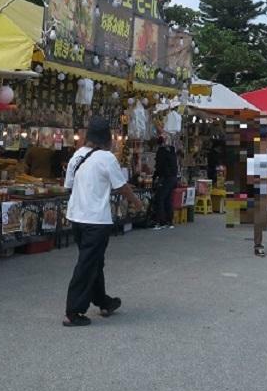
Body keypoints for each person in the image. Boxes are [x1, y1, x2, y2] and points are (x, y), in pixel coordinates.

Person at [62, 116, 143, 327]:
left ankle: (103, 301)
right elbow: (121, 186)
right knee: (87, 264)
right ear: (106, 138)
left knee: (94, 260)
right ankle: (73, 312)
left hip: (77, 217)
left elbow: (68, 185)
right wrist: (136, 202)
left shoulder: (76, 157)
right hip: (96, 219)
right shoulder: (107, 158)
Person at [151, 135, 179, 230]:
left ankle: (161, 222)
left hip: (166, 178)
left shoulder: (161, 152)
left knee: (160, 198)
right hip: (173, 178)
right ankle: (169, 221)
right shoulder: (172, 151)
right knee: (168, 199)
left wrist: (155, 177)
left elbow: (159, 166)